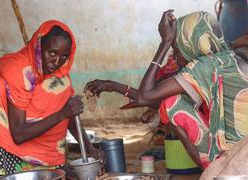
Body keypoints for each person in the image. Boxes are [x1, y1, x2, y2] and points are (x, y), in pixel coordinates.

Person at [84, 10, 248, 170]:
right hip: (243, 152)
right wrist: (111, 86)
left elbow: (145, 97)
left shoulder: (204, 66)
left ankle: (214, 169)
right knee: (172, 100)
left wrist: (165, 43)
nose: (175, 57)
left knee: (171, 105)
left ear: (191, 45)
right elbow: (152, 98)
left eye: (176, 49)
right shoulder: (230, 59)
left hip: (237, 161)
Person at [0, 20, 103, 179]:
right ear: (38, 46)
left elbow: (70, 118)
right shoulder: (18, 69)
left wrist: (90, 148)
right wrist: (62, 113)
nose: (56, 62)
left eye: (63, 57)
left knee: (60, 84)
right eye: (51, 53)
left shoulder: (57, 76)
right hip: (7, 142)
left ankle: (48, 163)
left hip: (38, 146)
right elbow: (18, 135)